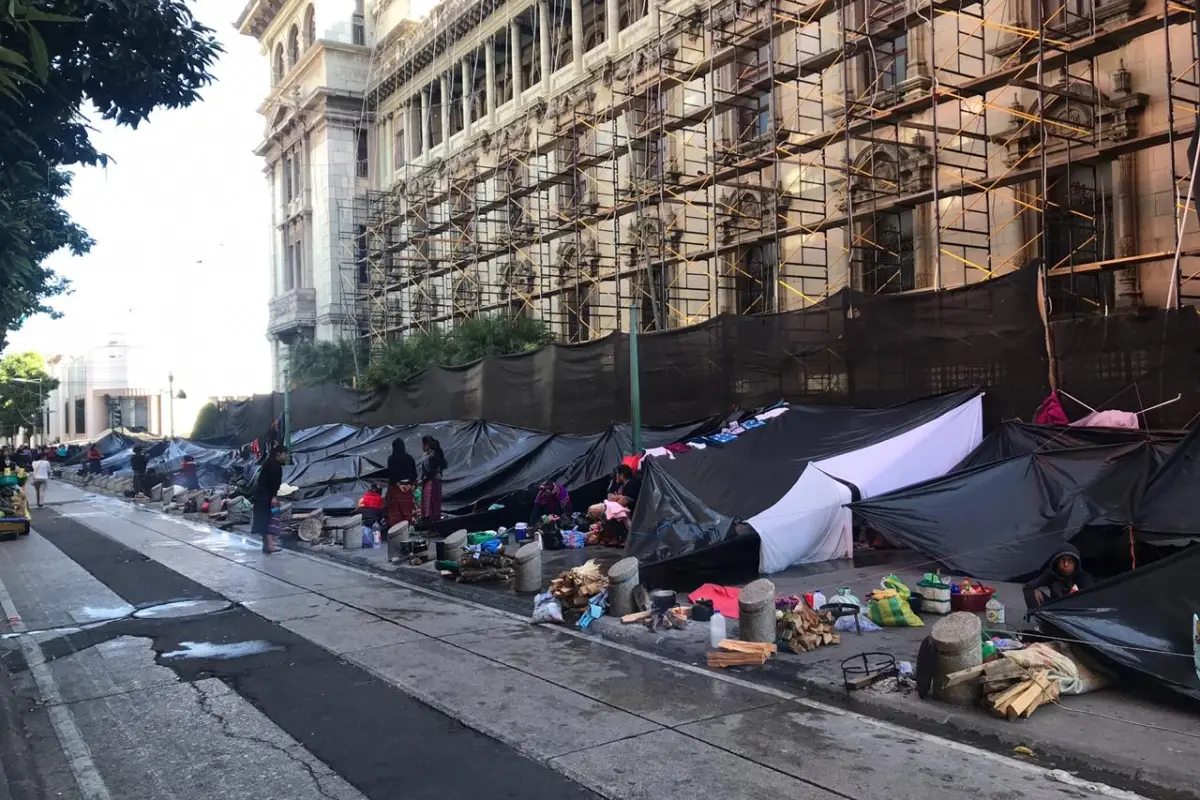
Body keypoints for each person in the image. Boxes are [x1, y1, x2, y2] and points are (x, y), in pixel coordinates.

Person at [1023, 545, 1094, 609]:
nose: (1066, 564)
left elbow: (1091, 600)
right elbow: (1028, 587)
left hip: (1076, 612)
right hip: (1054, 609)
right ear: (1057, 562)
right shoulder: (1051, 574)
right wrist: (1034, 609)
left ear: (1075, 563)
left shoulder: (1084, 578)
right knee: (1035, 592)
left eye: (1070, 561)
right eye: (1063, 560)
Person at [253, 444, 288, 554]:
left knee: (266, 519)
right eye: (285, 454)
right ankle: (270, 546)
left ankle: (267, 545)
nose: (286, 456)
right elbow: (272, 484)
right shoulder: (274, 466)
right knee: (270, 519)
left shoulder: (268, 463)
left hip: (261, 496)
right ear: (279, 454)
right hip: (267, 497)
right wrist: (274, 497)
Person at [385, 438, 418, 533]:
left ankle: (395, 530)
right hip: (407, 487)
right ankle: (407, 527)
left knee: (395, 510)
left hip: (395, 487)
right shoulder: (410, 458)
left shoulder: (391, 459)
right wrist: (410, 484)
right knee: (406, 509)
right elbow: (414, 474)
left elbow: (391, 474)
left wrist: (398, 484)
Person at [418, 435, 447, 526]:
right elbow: (426, 471)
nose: (421, 446)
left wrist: (423, 480)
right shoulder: (427, 456)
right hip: (429, 482)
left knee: (432, 503)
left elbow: (432, 472)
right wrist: (423, 479)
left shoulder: (433, 456)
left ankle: (433, 525)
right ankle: (429, 525)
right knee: (428, 504)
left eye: (422, 444)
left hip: (433, 483)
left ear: (427, 445)